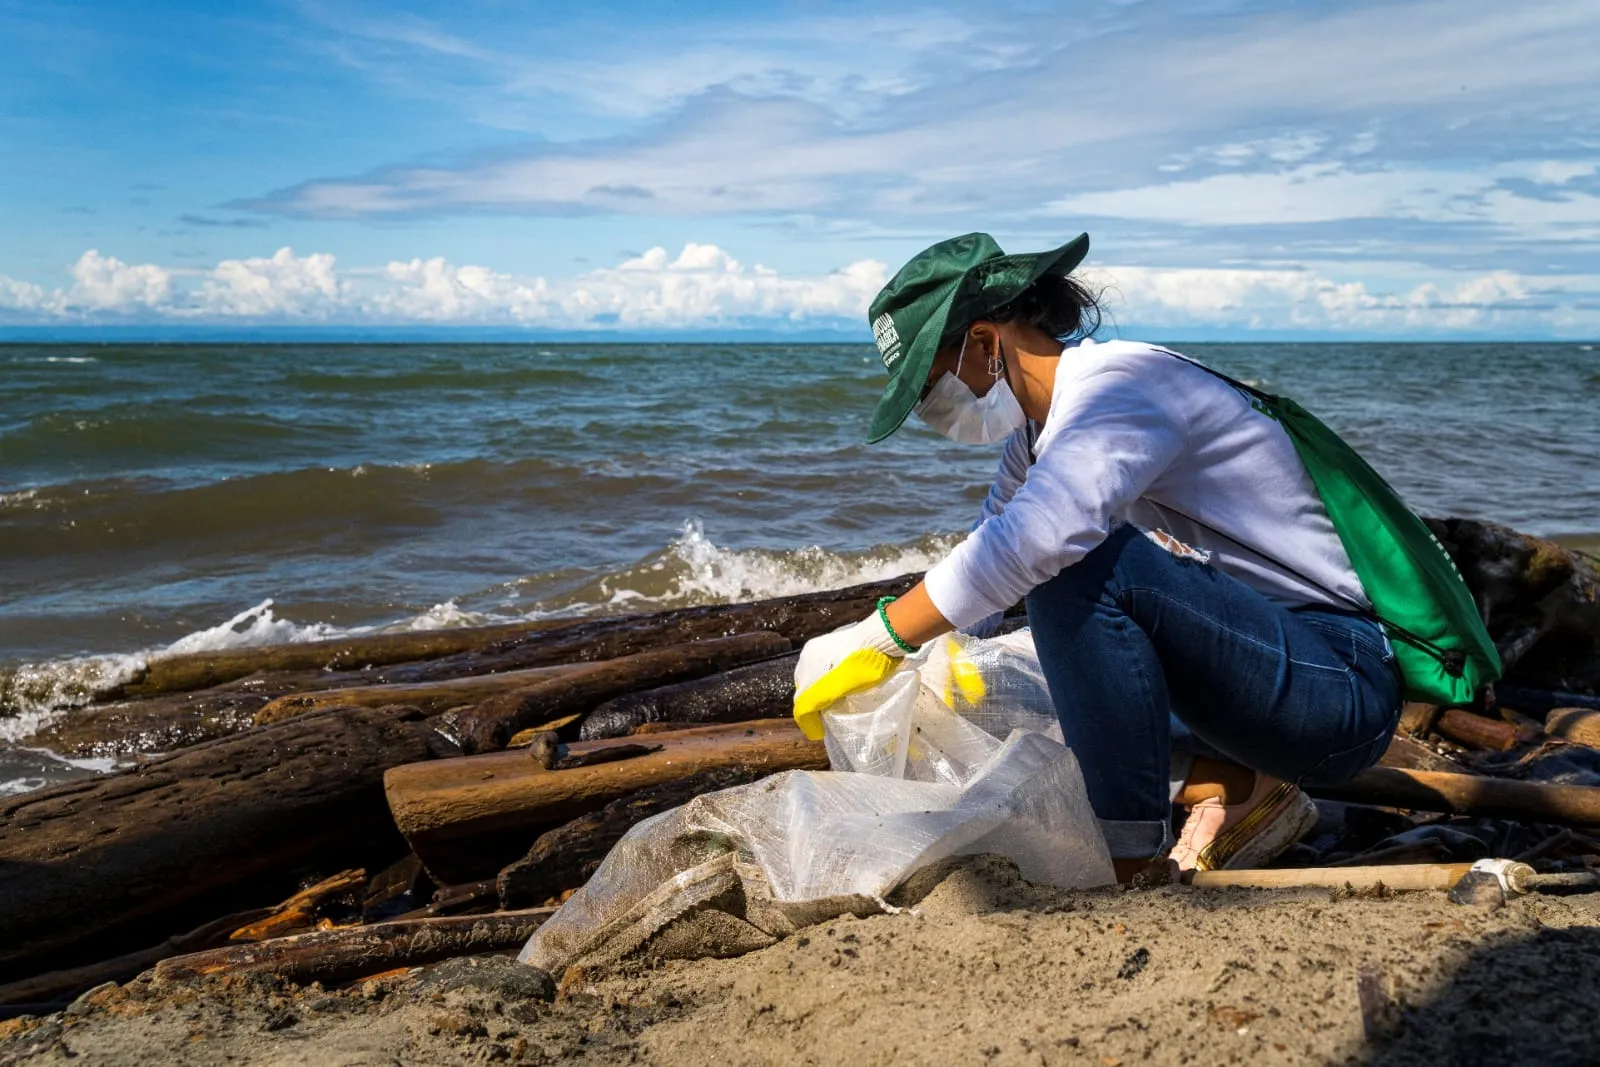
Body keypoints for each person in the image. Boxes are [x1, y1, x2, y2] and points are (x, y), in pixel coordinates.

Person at [794, 232, 1403, 880]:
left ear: (982, 341)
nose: (929, 407)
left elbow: (1035, 541)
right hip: (1256, 671)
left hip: (1338, 685)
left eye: (932, 381)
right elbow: (989, 546)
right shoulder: (1038, 432)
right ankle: (1232, 785)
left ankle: (1129, 856)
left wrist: (880, 635)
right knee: (1010, 671)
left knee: (1078, 573)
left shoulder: (1122, 388)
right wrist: (935, 665)